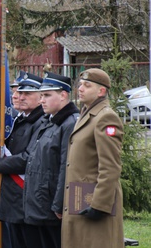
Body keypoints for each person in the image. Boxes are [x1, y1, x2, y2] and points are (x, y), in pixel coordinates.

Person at [61, 68, 124, 248]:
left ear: (101, 91)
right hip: (79, 201)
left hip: (94, 204)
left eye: (87, 86)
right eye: (80, 85)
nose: (80, 89)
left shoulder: (106, 118)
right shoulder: (87, 114)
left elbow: (110, 167)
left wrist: (99, 205)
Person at [23, 72, 79, 248]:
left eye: (47, 95)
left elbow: (66, 166)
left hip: (50, 207)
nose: (42, 101)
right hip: (39, 203)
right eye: (41, 96)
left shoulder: (69, 123)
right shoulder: (48, 121)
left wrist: (59, 204)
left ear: (63, 95)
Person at [0, 72, 45, 248]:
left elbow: (28, 159)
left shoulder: (41, 122)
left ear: (41, 97)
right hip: (13, 200)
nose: (19, 97)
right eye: (18, 92)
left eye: (27, 94)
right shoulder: (18, 119)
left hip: (27, 199)